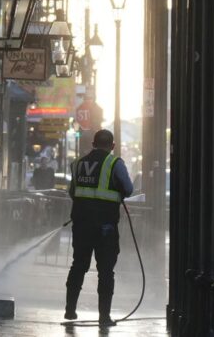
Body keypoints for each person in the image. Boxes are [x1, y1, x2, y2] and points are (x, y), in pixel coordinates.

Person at [64, 129, 134, 327]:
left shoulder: (77, 164)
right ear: (112, 146)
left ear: (94, 144)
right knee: (105, 271)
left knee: (78, 265)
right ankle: (104, 316)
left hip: (82, 225)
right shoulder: (115, 163)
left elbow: (73, 192)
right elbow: (128, 190)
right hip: (105, 228)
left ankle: (70, 310)